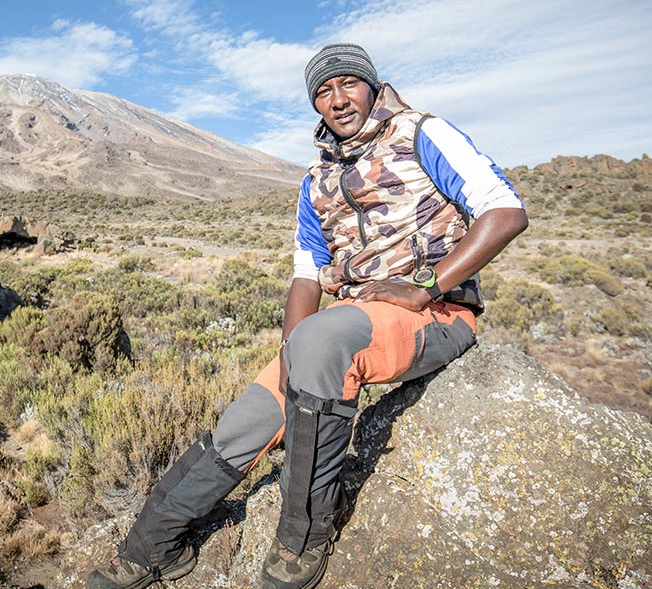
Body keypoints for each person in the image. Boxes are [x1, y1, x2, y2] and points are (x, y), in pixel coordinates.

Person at [87, 43, 528, 589]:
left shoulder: (422, 133)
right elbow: (306, 274)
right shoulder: (315, 179)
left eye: (348, 84)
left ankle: (302, 538)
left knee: (321, 342)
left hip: (435, 314)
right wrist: (293, 351)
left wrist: (425, 286)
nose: (338, 99)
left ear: (371, 86)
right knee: (249, 415)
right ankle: (153, 545)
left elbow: (505, 210)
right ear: (315, 104)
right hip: (349, 322)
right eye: (323, 91)